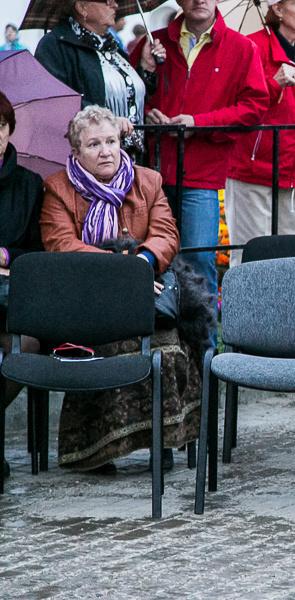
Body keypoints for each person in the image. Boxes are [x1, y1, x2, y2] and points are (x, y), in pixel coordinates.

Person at [40, 106, 201, 472]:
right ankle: (96, 450)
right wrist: (124, 269)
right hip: (86, 298)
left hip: (147, 292)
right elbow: (61, 245)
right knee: (105, 348)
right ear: (76, 152)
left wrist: (143, 262)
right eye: (93, 144)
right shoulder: (57, 189)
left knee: (169, 346)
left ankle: (163, 441)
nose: (106, 151)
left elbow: (166, 234)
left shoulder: (148, 181)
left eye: (111, 141)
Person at [131, 0, 269, 313]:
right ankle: (155, 339)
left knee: (198, 259)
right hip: (151, 175)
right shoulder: (152, 42)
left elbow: (253, 109)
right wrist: (148, 112)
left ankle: (204, 349)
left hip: (201, 175)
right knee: (147, 256)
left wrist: (200, 123)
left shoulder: (241, 48)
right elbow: (129, 96)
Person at [224, 0, 295, 266]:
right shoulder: (248, 47)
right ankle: (243, 310)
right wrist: (273, 84)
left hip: (294, 176)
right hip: (252, 173)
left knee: (285, 262)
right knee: (250, 260)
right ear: (276, 8)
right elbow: (235, 104)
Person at [35, 0, 166, 153]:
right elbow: (55, 102)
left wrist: (147, 67)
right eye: (107, 1)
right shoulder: (54, 46)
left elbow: (128, 97)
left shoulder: (111, 48)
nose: (115, 5)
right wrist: (106, 121)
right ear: (82, 7)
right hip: (88, 159)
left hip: (128, 159)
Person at [0, 92, 43, 480]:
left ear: (9, 130)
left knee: (25, 346)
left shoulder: (30, 185)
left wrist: (8, 256)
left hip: (12, 303)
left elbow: (39, 249)